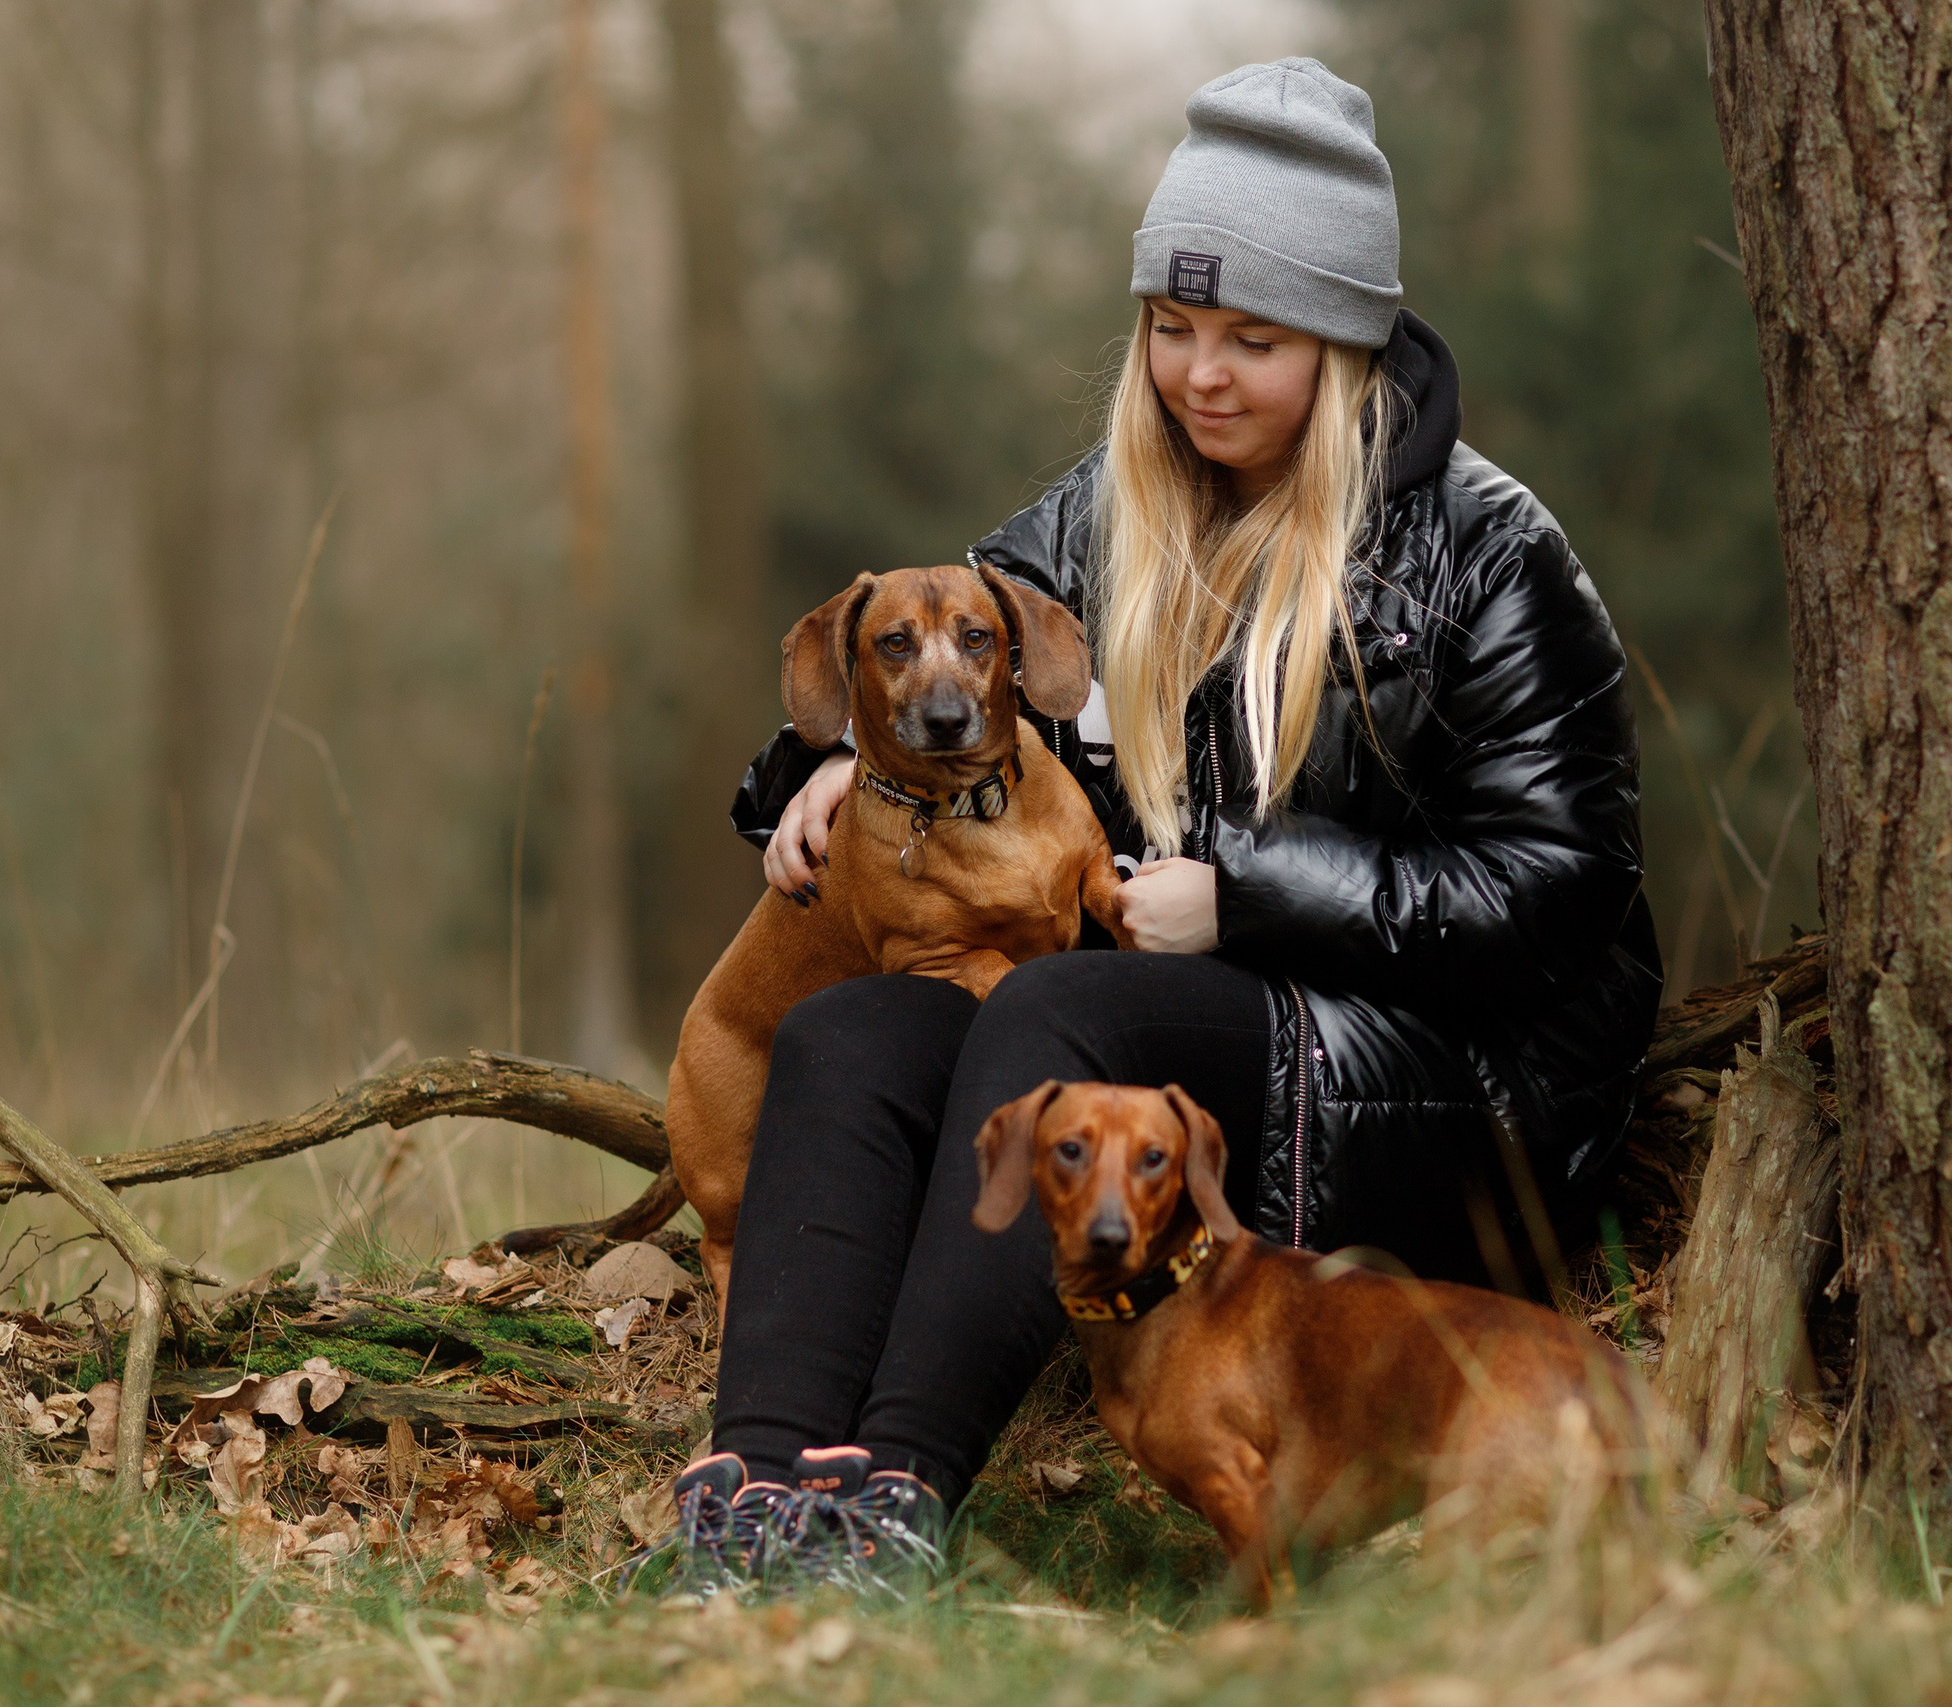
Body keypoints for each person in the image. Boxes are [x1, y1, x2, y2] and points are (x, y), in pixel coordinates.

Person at [651, 56, 1659, 1597]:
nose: (1201, 375)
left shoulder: (1486, 551)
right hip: (1158, 1041)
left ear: (1348, 334)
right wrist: (826, 779)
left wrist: (1250, 896)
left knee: (1059, 997)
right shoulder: (1094, 517)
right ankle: (761, 1495)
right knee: (854, 1032)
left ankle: (897, 1501)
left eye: (1253, 338)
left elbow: (1564, 893)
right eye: (1173, 331)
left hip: (1449, 1097)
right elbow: (922, 659)